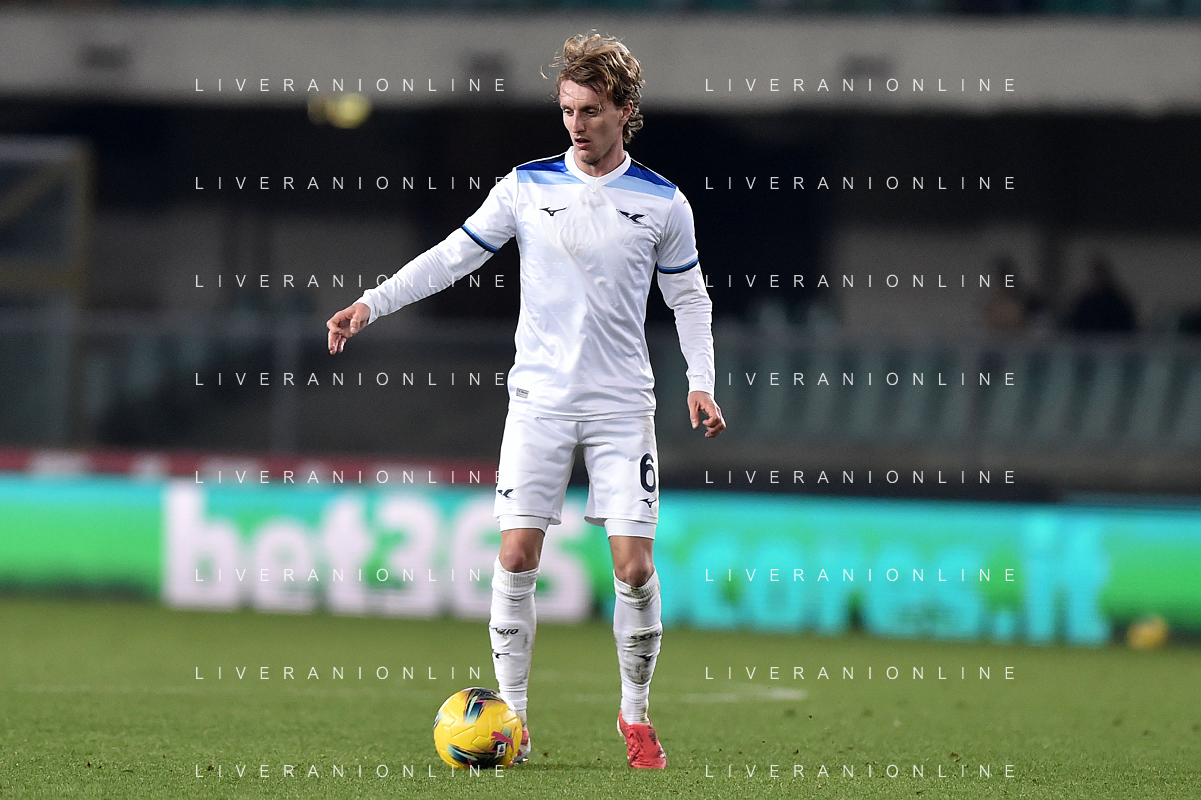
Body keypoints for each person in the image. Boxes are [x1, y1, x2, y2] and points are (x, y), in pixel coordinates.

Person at [325, 33, 724, 770]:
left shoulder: (664, 202)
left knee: (634, 569)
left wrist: (700, 380)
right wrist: (371, 304)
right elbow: (453, 256)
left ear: (623, 110)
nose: (576, 124)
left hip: (620, 406)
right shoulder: (525, 186)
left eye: (591, 110)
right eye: (567, 109)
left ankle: (635, 716)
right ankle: (514, 718)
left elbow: (689, 298)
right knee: (515, 555)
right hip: (538, 400)